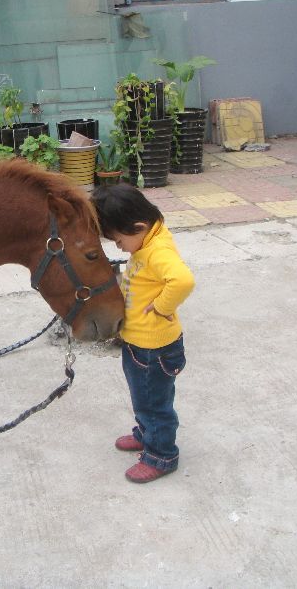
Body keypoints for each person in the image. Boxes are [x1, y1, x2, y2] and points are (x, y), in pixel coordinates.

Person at [91, 184, 195, 483]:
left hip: (154, 349)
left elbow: (183, 280)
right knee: (144, 398)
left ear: (139, 226)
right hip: (140, 344)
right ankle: (146, 432)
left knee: (154, 404)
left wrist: (162, 307)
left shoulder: (157, 251)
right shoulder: (147, 240)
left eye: (119, 240)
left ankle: (161, 455)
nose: (118, 246)